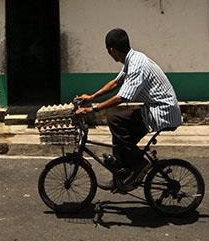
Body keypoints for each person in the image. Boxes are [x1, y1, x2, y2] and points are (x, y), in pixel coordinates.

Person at [76, 28, 182, 189]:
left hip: (162, 111)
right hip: (155, 108)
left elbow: (122, 97)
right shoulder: (132, 59)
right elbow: (116, 83)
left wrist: (93, 109)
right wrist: (92, 97)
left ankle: (139, 164)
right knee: (120, 135)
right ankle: (122, 175)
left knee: (115, 119)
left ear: (111, 50)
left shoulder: (136, 64)